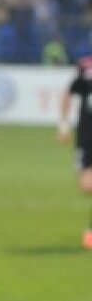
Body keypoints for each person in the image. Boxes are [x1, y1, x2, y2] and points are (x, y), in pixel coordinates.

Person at [58, 54, 92, 249]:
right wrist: (63, 126)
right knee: (86, 186)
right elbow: (68, 93)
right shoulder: (85, 66)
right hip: (86, 136)